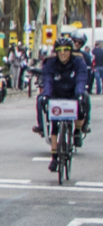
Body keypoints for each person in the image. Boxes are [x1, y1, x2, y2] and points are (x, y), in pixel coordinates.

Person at [35, 36, 89, 169]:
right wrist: (47, 95)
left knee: (84, 101)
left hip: (72, 93)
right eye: (59, 50)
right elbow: (47, 80)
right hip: (57, 94)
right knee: (53, 122)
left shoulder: (78, 62)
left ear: (71, 51)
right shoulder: (50, 63)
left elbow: (81, 78)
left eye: (66, 50)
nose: (63, 53)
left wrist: (79, 94)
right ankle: (54, 157)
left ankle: (77, 131)